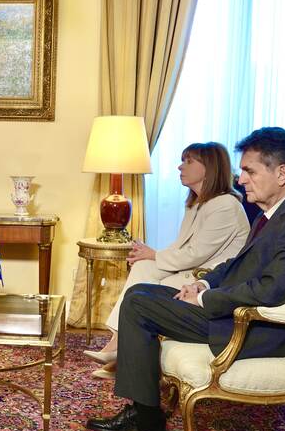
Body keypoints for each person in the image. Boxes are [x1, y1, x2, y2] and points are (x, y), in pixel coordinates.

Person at [84, 126, 285, 431]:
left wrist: (205, 299)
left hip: (262, 329)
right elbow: (237, 266)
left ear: (282, 173)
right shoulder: (279, 213)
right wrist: (203, 283)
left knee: (139, 308)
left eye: (249, 171)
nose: (241, 178)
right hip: (241, 314)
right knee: (140, 293)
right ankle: (141, 413)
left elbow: (271, 290)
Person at [84, 142, 250, 379]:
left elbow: (196, 253)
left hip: (209, 278)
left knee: (148, 285)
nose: (180, 166)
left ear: (209, 167)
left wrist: (153, 254)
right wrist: (148, 255)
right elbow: (182, 247)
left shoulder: (225, 205)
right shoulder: (197, 203)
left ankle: (120, 352)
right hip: (192, 269)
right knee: (144, 266)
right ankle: (118, 344)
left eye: (189, 161)